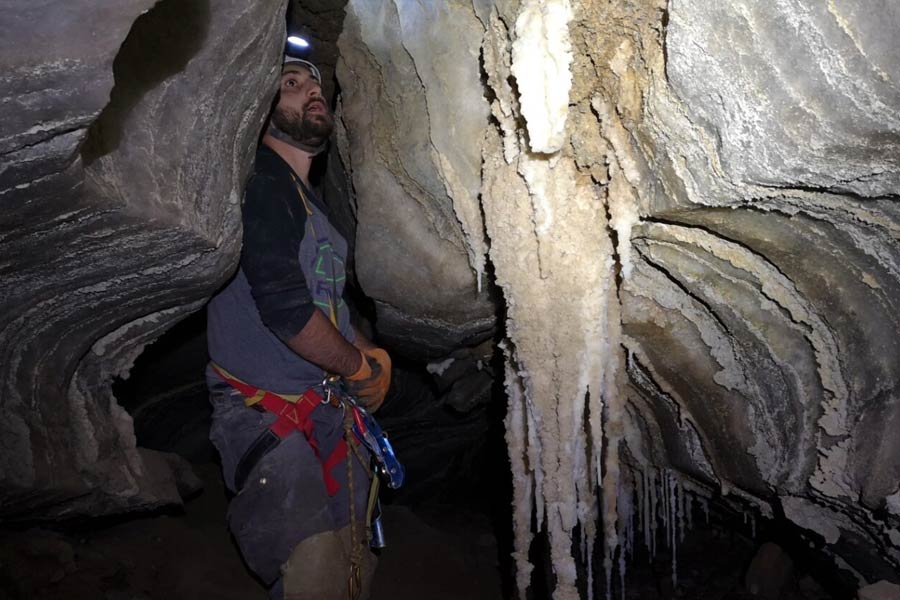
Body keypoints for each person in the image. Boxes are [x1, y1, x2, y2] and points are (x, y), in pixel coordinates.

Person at [206, 54, 391, 600]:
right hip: (264, 411)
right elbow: (286, 310)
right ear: (262, 113)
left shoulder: (314, 206)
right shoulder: (263, 182)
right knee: (315, 572)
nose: (311, 90)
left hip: (327, 409)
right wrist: (357, 365)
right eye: (291, 84)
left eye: (314, 83)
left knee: (353, 564)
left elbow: (325, 302)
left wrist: (369, 351)